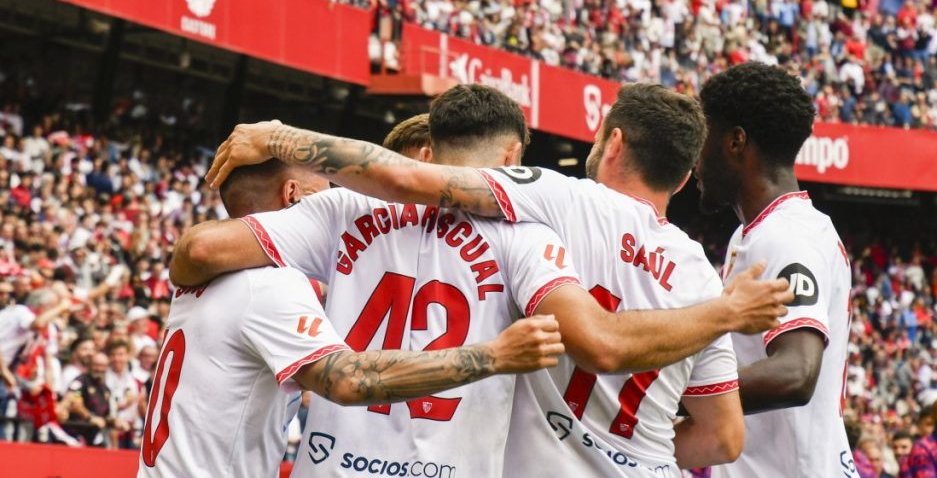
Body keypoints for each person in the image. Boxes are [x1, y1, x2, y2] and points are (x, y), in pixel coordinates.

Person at [193, 83, 794, 474]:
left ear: (613, 141)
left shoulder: (549, 205)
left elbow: (199, 250)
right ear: (685, 176)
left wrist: (276, 137)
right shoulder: (696, 271)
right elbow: (722, 439)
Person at [140, 158, 563, 477]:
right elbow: (345, 380)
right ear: (294, 197)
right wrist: (494, 356)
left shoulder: (206, 279)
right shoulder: (269, 286)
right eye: (325, 189)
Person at [692, 63, 854, 477]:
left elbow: (795, 373)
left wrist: (673, 394)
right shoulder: (758, 232)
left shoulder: (786, 236)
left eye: (702, 136)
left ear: (735, 141)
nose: (695, 155)